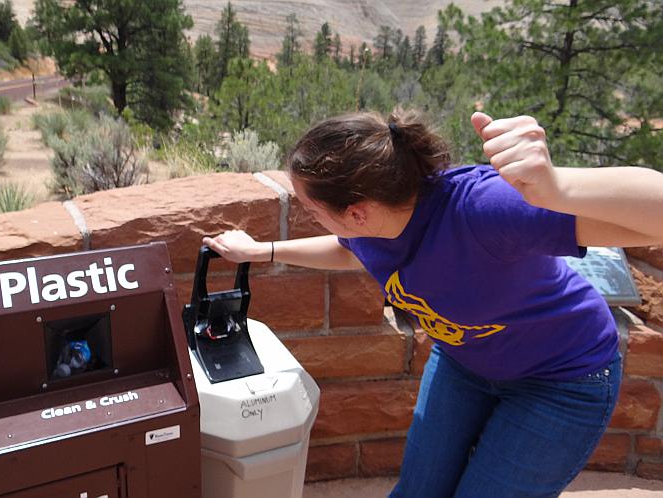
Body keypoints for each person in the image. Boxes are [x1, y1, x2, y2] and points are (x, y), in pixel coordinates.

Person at [202, 108, 663, 498]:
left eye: (312, 208)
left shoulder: (483, 209)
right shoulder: (376, 218)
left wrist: (557, 188)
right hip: (465, 362)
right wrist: (263, 251)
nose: (308, 216)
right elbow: (351, 249)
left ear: (358, 211)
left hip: (561, 378)